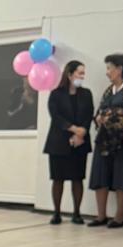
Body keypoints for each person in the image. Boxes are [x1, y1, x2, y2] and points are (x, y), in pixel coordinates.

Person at [88, 53, 123, 228]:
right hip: (104, 139)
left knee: (121, 175)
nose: (107, 72)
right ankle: (100, 215)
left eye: (109, 68)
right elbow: (99, 111)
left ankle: (119, 217)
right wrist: (99, 119)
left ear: (119, 69)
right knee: (100, 174)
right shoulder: (108, 91)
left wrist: (112, 116)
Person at [43, 60, 93, 224]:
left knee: (77, 178)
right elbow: (56, 116)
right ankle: (56, 213)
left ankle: (77, 213)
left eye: (83, 73)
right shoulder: (56, 94)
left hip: (80, 141)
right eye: (80, 73)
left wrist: (81, 132)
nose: (82, 76)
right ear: (70, 74)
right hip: (59, 142)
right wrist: (73, 129)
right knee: (58, 178)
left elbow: (89, 115)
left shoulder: (86, 94)